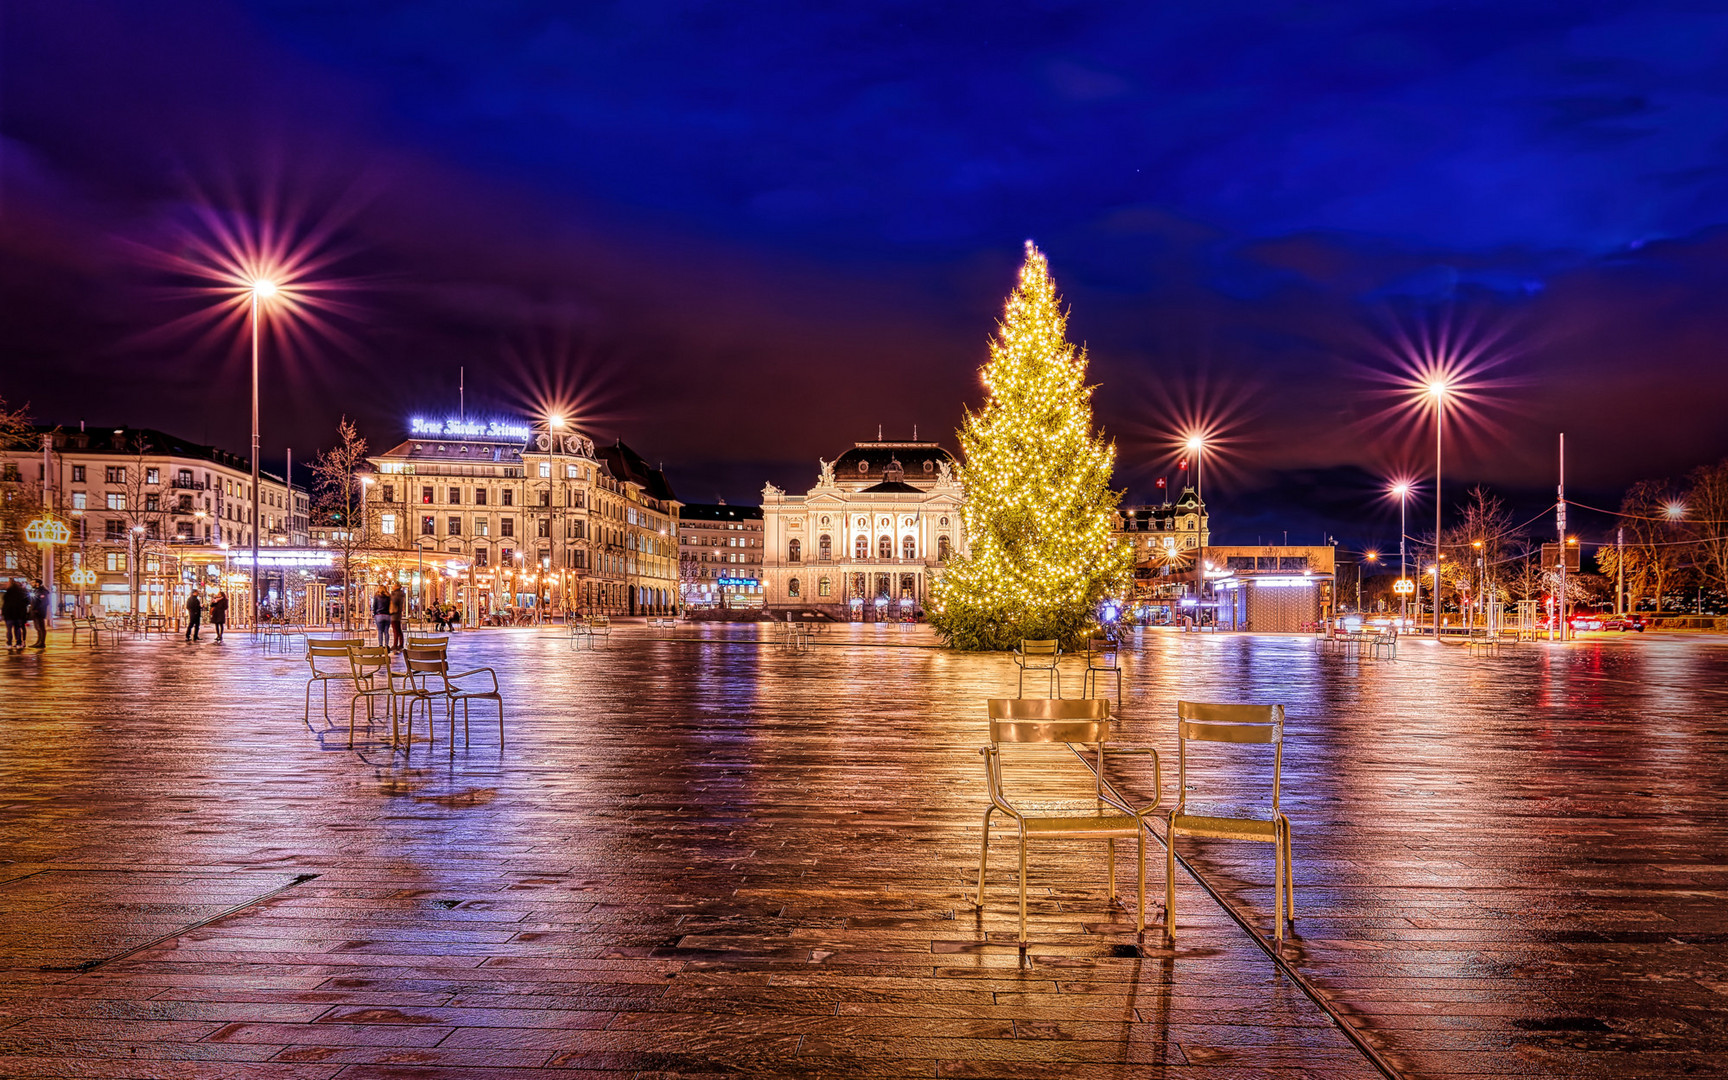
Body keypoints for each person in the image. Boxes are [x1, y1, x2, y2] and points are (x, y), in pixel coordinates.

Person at [3, 578, 28, 650]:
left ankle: (9, 643)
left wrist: (4, 614)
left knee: (9, 629)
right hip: (18, 614)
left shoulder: (8, 593)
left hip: (9, 614)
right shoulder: (21, 593)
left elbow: (6, 604)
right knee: (17, 629)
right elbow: (26, 603)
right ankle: (19, 643)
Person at [28, 580, 48, 649]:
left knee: (41, 628)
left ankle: (42, 643)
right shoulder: (35, 591)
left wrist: (38, 609)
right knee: (37, 628)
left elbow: (45, 602)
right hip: (35, 612)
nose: (31, 583)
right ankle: (38, 642)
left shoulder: (42, 591)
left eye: (33, 582)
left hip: (39, 612)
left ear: (37, 583)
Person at [390, 582, 407, 650]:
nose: (392, 587)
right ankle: (400, 644)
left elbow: (394, 601)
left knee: (396, 630)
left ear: (396, 587)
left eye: (394, 586)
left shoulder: (396, 594)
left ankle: (395, 644)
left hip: (394, 614)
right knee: (398, 630)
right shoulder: (400, 594)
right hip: (397, 614)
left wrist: (391, 595)